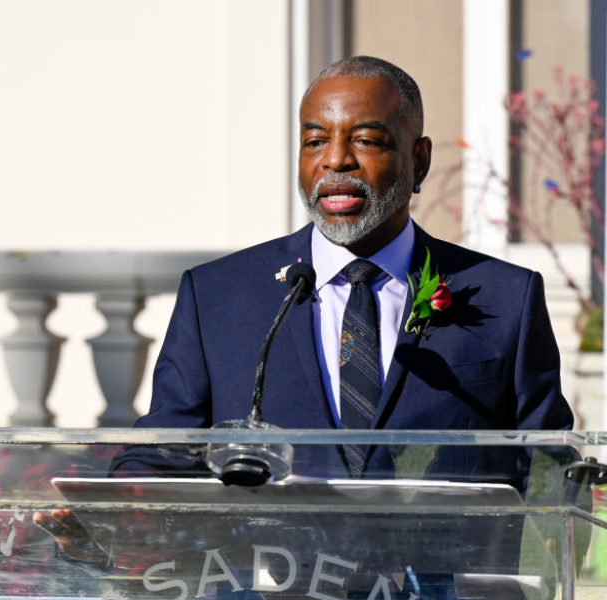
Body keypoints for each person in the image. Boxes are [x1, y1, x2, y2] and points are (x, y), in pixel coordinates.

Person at [111, 55, 574, 479]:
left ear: (420, 159)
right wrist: (98, 525)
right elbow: (164, 455)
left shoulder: (506, 298)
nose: (335, 160)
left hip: (446, 569)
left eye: (366, 140)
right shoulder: (216, 296)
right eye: (315, 141)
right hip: (277, 569)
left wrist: (536, 570)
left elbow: (549, 474)